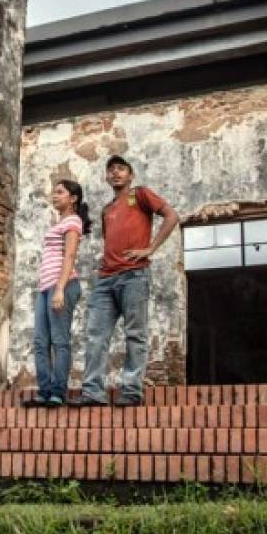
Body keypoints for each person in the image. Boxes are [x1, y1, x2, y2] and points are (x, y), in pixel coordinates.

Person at [71, 155, 179, 407]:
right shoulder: (106, 209)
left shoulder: (140, 195)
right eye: (111, 170)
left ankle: (131, 391)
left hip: (134, 275)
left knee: (135, 334)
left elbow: (171, 216)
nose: (115, 173)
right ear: (107, 177)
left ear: (130, 175)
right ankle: (92, 393)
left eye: (121, 169)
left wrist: (150, 248)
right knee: (96, 335)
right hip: (106, 279)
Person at [23, 180, 92, 408]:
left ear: (73, 198)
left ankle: (57, 392)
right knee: (41, 341)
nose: (54, 196)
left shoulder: (73, 221)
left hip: (63, 285)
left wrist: (60, 288)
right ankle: (44, 391)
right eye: (54, 192)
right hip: (45, 288)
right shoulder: (58, 223)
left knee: (60, 340)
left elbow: (70, 256)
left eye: (60, 192)